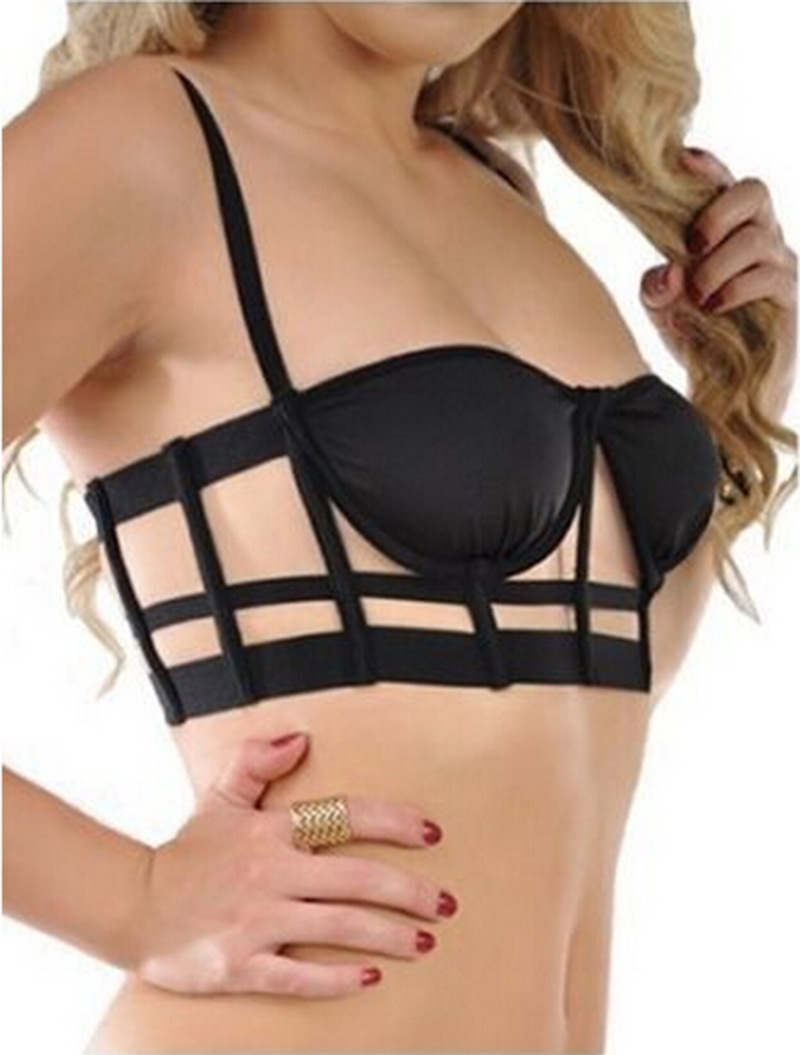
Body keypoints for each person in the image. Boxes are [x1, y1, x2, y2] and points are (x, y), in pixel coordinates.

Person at [3, 3, 796, 1052]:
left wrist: (746, 370)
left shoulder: (493, 191)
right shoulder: (138, 143)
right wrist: (137, 899)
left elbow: (582, 683)